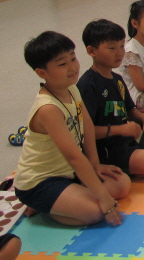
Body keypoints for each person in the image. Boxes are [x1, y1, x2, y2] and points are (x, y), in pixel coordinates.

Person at [14, 31, 129, 226]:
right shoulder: (48, 109)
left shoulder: (71, 87)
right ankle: (42, 204)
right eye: (62, 64)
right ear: (42, 73)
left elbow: (87, 125)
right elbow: (74, 157)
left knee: (121, 184)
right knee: (96, 212)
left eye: (73, 58)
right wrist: (104, 199)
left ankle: (59, 201)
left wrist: (95, 164)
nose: (72, 67)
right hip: (40, 181)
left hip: (67, 172)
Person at [77, 19, 144, 177]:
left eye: (121, 46)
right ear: (92, 51)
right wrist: (120, 129)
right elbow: (85, 132)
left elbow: (130, 108)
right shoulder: (87, 85)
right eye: (112, 48)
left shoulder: (117, 79)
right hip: (109, 147)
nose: (119, 53)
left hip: (129, 135)